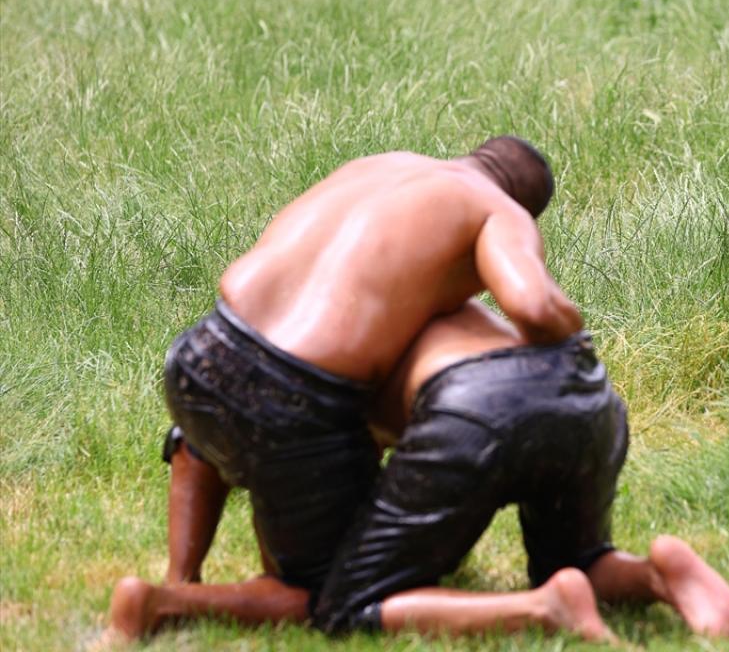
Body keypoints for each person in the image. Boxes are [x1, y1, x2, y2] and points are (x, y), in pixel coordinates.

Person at [106, 300, 729, 644]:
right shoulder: (428, 296)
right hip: (584, 394)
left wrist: (181, 576)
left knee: (338, 601)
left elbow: (198, 440)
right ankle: (657, 574)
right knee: (578, 556)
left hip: (473, 409)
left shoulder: (299, 343)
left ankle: (541, 608)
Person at [148, 136, 581, 601]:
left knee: (232, 407)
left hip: (204, 349)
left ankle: (181, 574)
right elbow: (534, 306)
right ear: (524, 205)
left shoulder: (383, 164)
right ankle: (161, 603)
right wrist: (577, 346)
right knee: (331, 594)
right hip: (291, 394)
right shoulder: (500, 210)